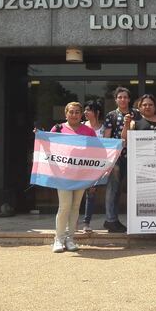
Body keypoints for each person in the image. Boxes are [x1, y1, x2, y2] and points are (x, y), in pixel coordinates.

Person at [49, 102, 98, 252]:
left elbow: (97, 151)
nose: (74, 115)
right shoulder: (58, 129)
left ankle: (70, 238)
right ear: (66, 114)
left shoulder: (89, 131)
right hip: (63, 174)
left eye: (77, 112)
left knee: (76, 206)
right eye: (71, 112)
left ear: (81, 114)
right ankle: (58, 239)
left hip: (81, 174)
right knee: (64, 206)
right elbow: (48, 147)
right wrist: (39, 136)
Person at [102, 87, 141, 233]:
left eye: (125, 97)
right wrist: (109, 158)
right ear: (116, 99)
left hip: (135, 157)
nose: (123, 99)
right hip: (117, 158)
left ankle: (137, 220)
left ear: (129, 99)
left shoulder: (137, 114)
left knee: (134, 189)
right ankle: (111, 220)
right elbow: (107, 138)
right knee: (113, 189)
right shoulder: (111, 115)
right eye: (120, 97)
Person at [80, 100, 105, 233]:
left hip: (96, 165)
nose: (85, 112)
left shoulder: (104, 128)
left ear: (97, 112)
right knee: (76, 193)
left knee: (91, 193)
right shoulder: (81, 126)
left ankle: (86, 222)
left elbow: (107, 146)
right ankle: (72, 222)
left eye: (89, 110)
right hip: (80, 164)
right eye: (85, 110)